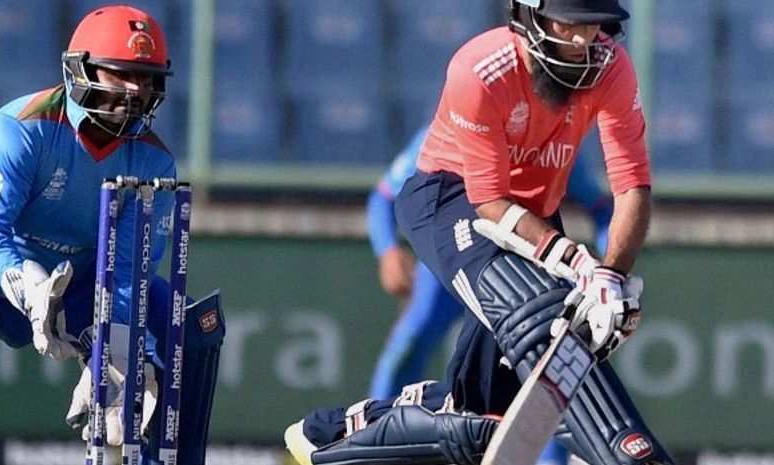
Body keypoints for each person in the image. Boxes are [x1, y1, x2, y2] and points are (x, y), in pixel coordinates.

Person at [285, 1, 675, 464]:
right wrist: (575, 261)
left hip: (532, 216)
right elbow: (489, 202)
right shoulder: (480, 70)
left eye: (593, 25)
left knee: (481, 419)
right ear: (528, 14)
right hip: (449, 199)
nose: (583, 40)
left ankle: (338, 431)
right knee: (541, 313)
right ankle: (630, 452)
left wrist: (610, 275)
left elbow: (631, 184)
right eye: (570, 23)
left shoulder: (611, 67)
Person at [0, 5, 224, 465]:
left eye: (146, 78)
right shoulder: (20, 131)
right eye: (121, 75)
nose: (135, 91)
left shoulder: (154, 163)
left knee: (187, 325)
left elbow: (128, 271)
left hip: (77, 286)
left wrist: (113, 351)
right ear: (82, 70)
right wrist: (27, 288)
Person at [366, 124, 612, 465]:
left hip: (519, 270)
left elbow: (601, 208)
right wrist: (388, 252)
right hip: (450, 265)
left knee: (539, 364)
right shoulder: (452, 127)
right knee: (410, 341)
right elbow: (383, 197)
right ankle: (373, 441)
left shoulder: (554, 141)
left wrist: (608, 266)